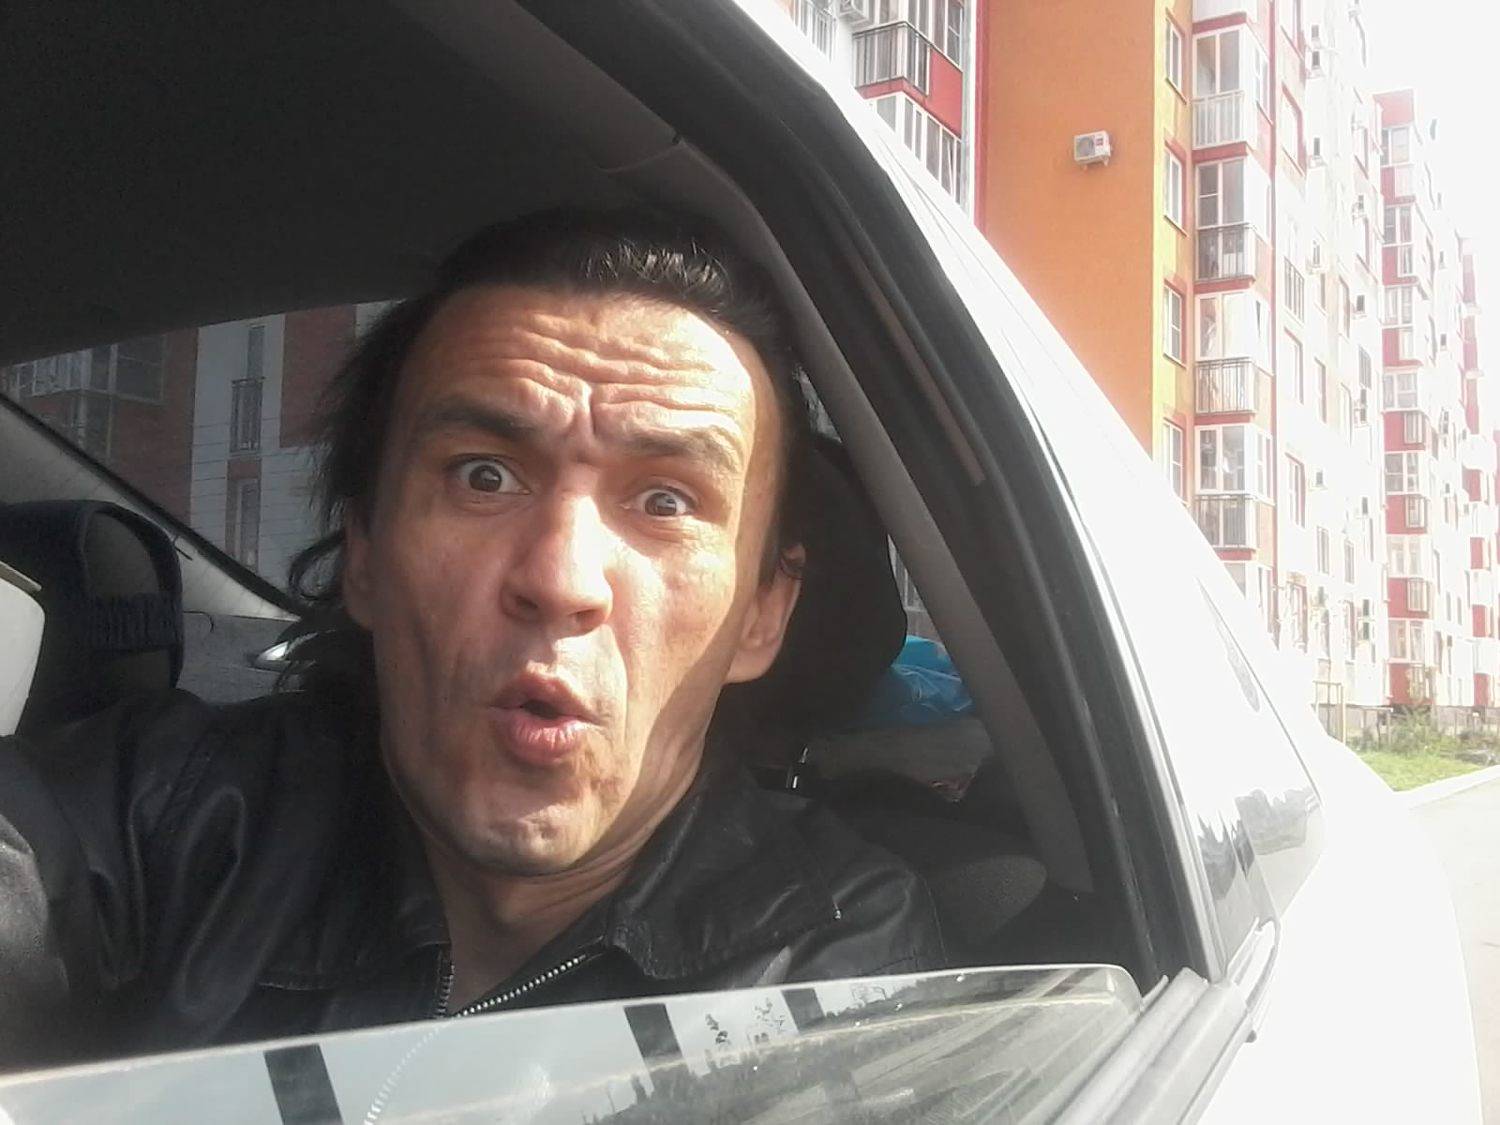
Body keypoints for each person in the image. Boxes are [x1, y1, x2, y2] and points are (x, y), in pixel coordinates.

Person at [0, 208, 946, 1067]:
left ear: (762, 614)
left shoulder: (828, 964)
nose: (560, 580)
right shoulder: (167, 810)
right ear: (365, 554)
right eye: (483, 476)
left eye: (666, 501)